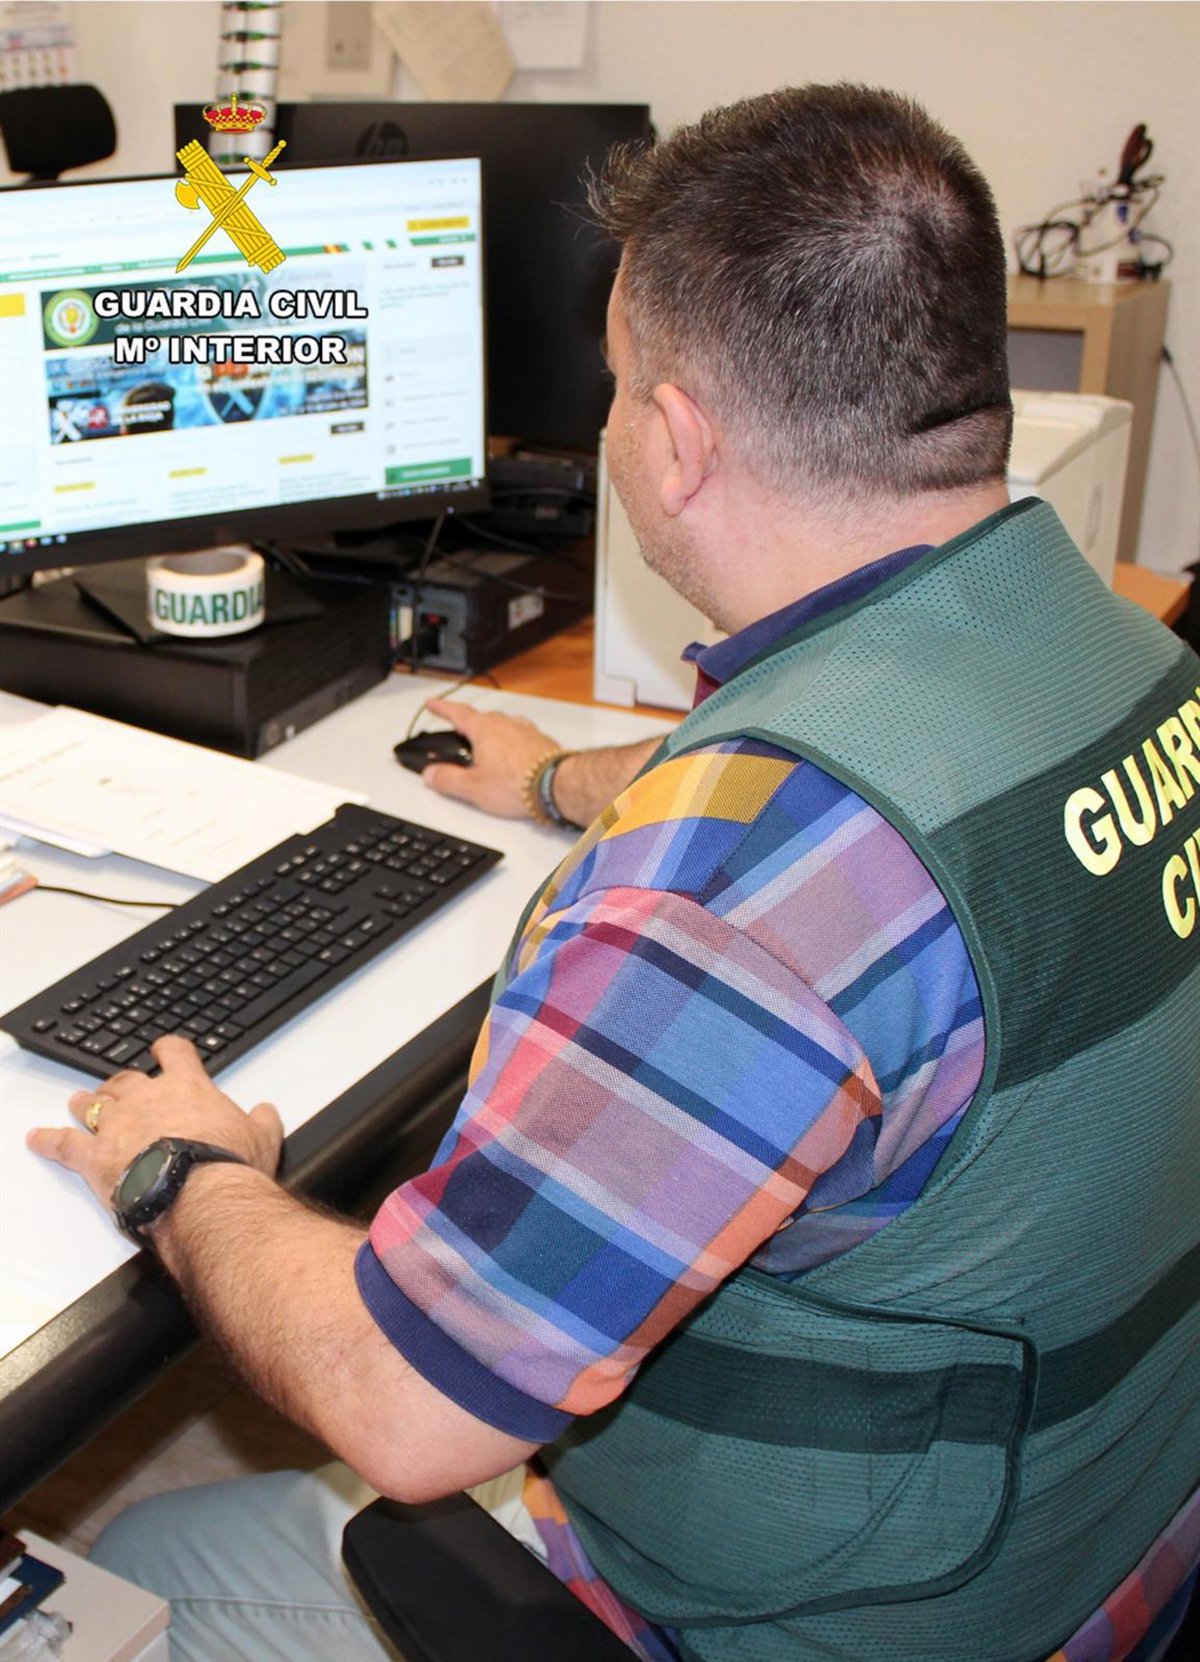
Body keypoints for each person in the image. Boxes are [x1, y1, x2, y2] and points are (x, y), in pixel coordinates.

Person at [30, 85, 1199, 1662]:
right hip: (1098, 1534)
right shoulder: (1123, 656)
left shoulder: (739, 871)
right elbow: (889, 819)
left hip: (830, 1622)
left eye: (616, 383)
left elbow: (404, 1402)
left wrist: (184, 1173)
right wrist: (569, 781)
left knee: (150, 1553)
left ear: (675, 439)